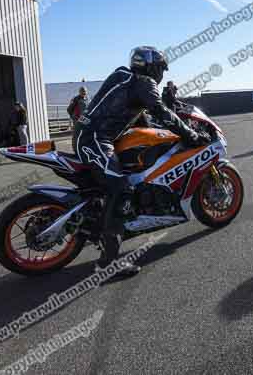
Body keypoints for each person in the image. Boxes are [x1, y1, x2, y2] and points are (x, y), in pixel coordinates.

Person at [72, 46, 208, 275]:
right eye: (160, 68)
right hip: (95, 139)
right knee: (121, 188)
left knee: (117, 179)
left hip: (88, 134)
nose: (161, 74)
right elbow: (161, 112)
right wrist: (190, 134)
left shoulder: (122, 75)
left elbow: (137, 112)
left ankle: (101, 220)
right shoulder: (145, 83)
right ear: (153, 67)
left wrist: (154, 132)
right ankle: (108, 264)